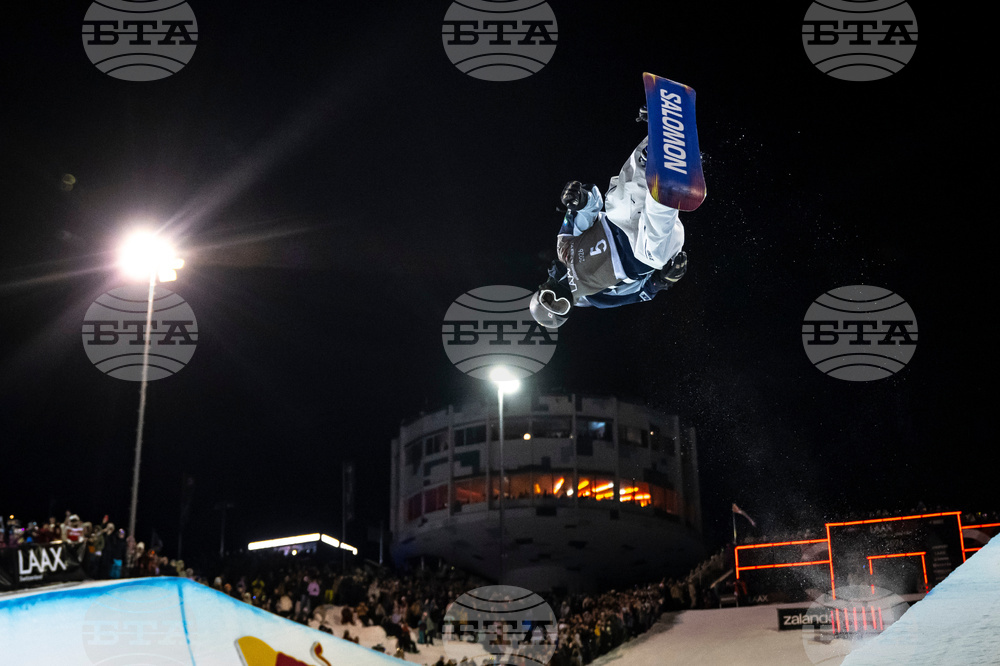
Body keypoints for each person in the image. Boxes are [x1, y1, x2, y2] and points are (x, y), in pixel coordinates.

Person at [530, 126, 690, 328]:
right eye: (560, 306)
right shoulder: (595, 298)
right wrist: (663, 280)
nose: (558, 298)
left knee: (619, 198)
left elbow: (592, 205)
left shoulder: (564, 246)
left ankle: (658, 136)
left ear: (543, 288)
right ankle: (670, 184)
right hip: (640, 253)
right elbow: (640, 293)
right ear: (569, 310)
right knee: (655, 254)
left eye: (548, 298)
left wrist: (579, 199)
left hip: (619, 219)